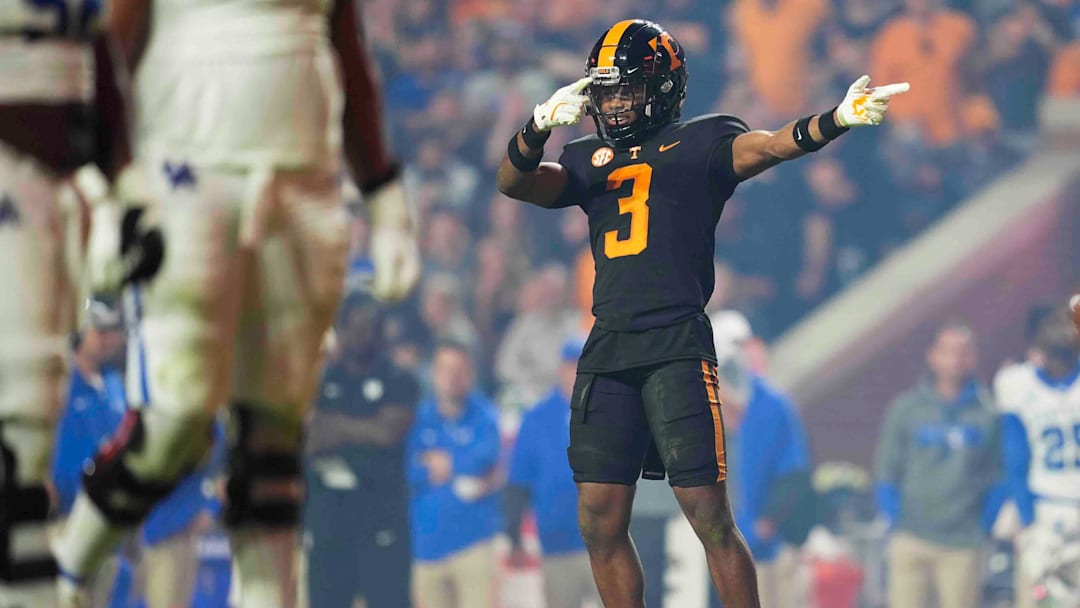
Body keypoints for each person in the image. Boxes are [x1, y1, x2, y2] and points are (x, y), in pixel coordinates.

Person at [496, 18, 909, 608]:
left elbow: (768, 145)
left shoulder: (699, 143)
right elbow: (514, 182)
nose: (611, 102)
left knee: (709, 515)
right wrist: (535, 127)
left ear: (663, 86)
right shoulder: (589, 156)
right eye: (604, 90)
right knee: (598, 518)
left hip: (675, 343)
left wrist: (835, 121)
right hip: (608, 343)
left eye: (624, 87)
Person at [52, 1, 422, 606]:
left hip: (302, 177)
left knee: (274, 429)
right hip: (183, 169)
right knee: (176, 420)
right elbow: (112, 48)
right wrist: (103, 188)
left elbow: (344, 45)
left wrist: (384, 196)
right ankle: (69, 565)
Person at [0, 3, 163, 604]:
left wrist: (121, 182)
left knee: (28, 426)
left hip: (49, 196)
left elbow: (98, 54)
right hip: (20, 177)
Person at [874, 322, 1003, 608]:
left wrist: (984, 525)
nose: (955, 359)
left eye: (963, 351)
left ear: (973, 357)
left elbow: (998, 476)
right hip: (911, 537)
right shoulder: (906, 409)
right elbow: (886, 471)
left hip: (963, 542)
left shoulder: (988, 413)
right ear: (932, 355)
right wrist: (896, 521)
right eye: (947, 351)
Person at [304, 292, 419, 608]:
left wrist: (333, 425)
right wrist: (364, 427)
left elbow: (388, 432)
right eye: (354, 327)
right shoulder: (317, 382)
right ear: (339, 329)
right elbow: (307, 437)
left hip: (382, 523)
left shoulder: (399, 380)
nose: (362, 335)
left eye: (370, 327)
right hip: (329, 525)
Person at [995, 304, 1080, 608]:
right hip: (1047, 510)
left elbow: (1015, 460)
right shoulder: (1017, 383)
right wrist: (1027, 523)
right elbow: (1015, 459)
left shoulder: (1017, 381)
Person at [505, 338, 600, 608]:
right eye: (572, 366)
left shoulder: (612, 413)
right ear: (561, 369)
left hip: (608, 544)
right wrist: (514, 536)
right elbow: (518, 481)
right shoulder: (537, 418)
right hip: (558, 544)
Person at [406, 342, 502, 608]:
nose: (451, 377)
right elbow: (404, 471)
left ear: (470, 374)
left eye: (459, 370)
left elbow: (483, 460)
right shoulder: (418, 418)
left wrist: (442, 462)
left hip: (473, 546)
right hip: (426, 548)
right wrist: (435, 466)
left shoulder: (485, 415)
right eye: (445, 369)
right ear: (433, 374)